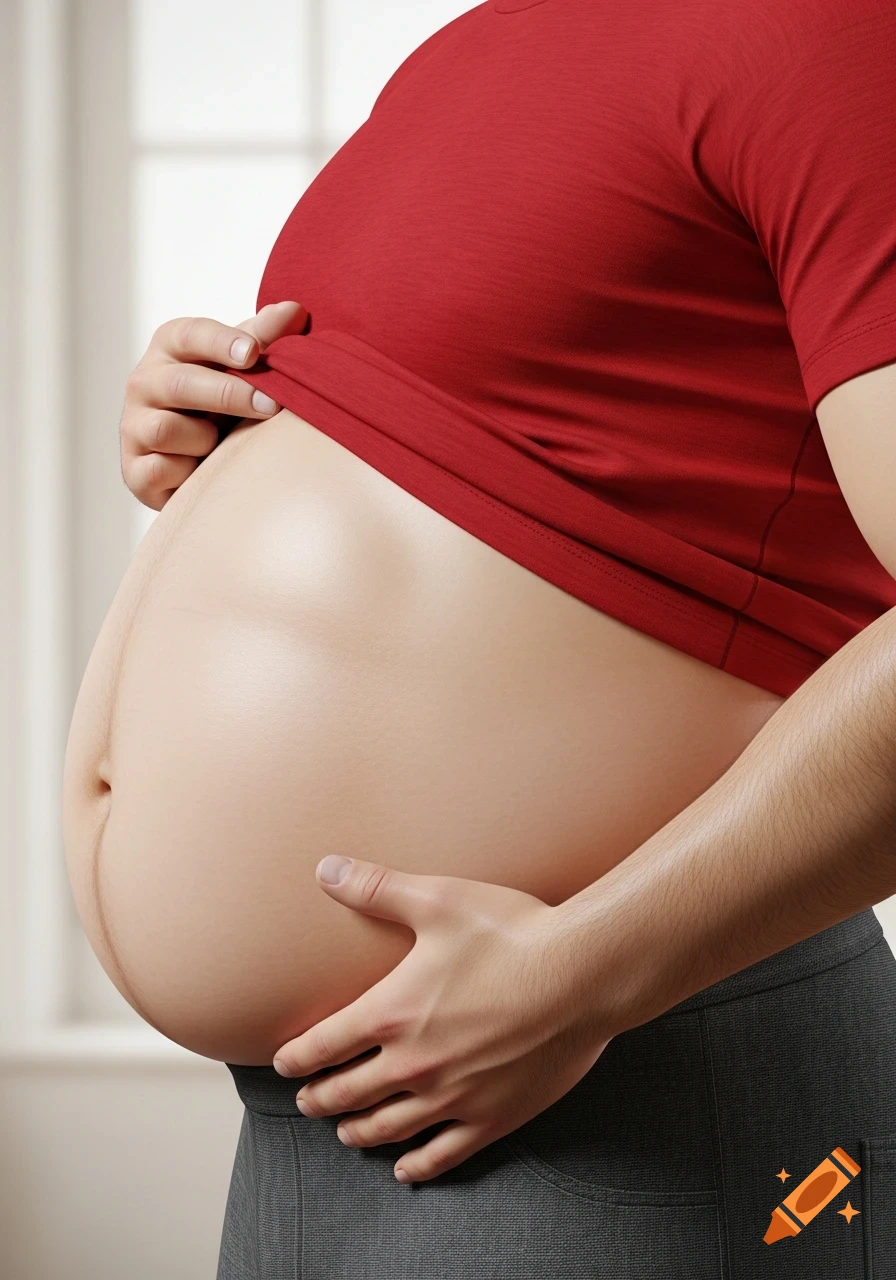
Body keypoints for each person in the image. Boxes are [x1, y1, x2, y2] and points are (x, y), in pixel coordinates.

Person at [94, 0, 896, 1276]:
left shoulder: (839, 37)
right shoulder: (471, 49)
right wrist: (219, 433)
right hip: (336, 1118)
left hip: (616, 1071)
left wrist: (582, 974)